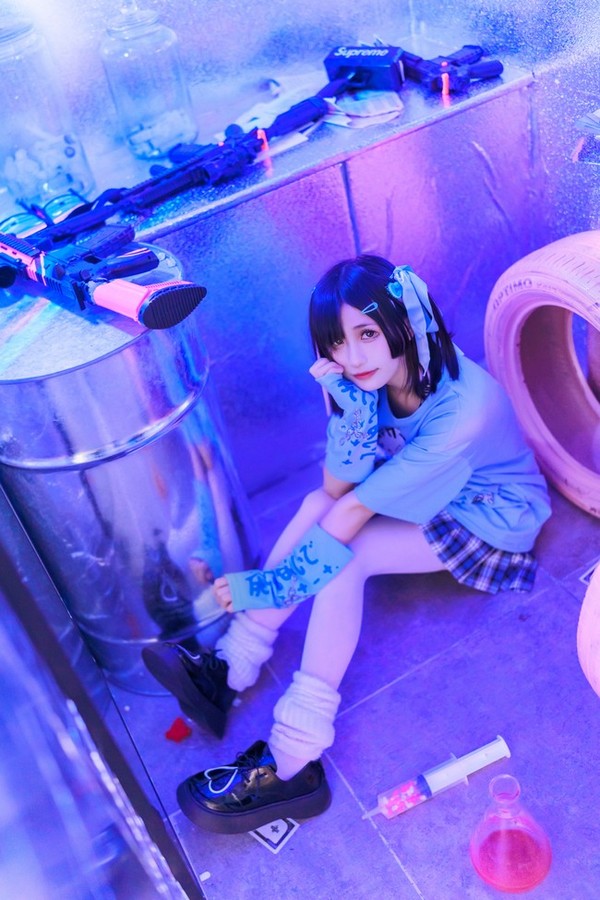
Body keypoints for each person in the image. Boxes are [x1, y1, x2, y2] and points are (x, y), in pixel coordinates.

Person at [142, 255, 552, 834]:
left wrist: (261, 588)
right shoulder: (374, 380)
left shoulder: (462, 413)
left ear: (405, 320)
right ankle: (229, 667)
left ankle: (292, 762)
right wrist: (353, 414)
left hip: (486, 518)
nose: (353, 357)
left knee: (347, 558)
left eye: (367, 333)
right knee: (317, 507)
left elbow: (354, 512)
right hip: (428, 491)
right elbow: (335, 490)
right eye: (336, 341)